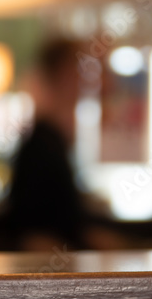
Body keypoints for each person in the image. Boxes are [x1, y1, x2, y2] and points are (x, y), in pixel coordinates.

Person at [7, 38, 94, 252]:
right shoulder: (40, 146)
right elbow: (32, 235)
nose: (83, 80)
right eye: (77, 70)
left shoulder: (54, 140)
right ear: (61, 75)